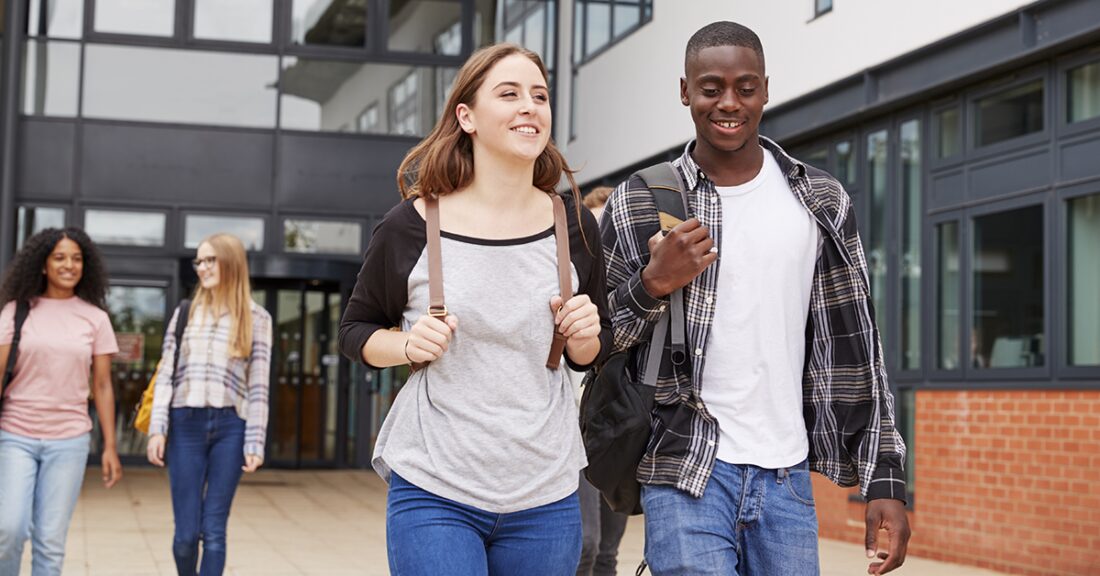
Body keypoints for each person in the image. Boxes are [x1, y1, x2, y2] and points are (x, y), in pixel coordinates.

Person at [600, 21, 911, 576]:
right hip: (684, 465)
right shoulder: (642, 199)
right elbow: (597, 341)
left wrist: (884, 477)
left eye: (745, 88)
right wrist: (652, 283)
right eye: (711, 88)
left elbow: (859, 346)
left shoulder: (820, 201)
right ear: (684, 91)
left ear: (765, 89)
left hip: (787, 477)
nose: (728, 103)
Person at [338, 43, 612, 576]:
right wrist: (405, 344)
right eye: (508, 94)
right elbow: (355, 330)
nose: (529, 106)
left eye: (539, 95)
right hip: (436, 488)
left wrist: (585, 338)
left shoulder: (575, 227)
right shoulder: (411, 225)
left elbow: (588, 354)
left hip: (546, 492)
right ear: (466, 116)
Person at [145, 233, 272, 576]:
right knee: (186, 536)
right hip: (184, 425)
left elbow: (259, 386)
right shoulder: (185, 313)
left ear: (231, 262)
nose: (202, 267)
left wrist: (254, 442)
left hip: (231, 428)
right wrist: (158, 430)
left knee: (213, 531)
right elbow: (166, 377)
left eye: (210, 260)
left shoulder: (257, 319)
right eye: (199, 261)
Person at [0, 227, 122, 576]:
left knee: (50, 542)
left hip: (69, 440)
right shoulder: (15, 312)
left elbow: (102, 386)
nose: (69, 265)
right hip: (15, 435)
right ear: (42, 265)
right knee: (9, 529)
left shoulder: (95, 318)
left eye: (76, 258)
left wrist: (110, 446)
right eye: (59, 257)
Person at [574, 185, 629, 576]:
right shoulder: (572, 287)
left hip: (618, 427)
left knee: (608, 551)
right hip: (573, 428)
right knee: (586, 545)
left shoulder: (633, 291)